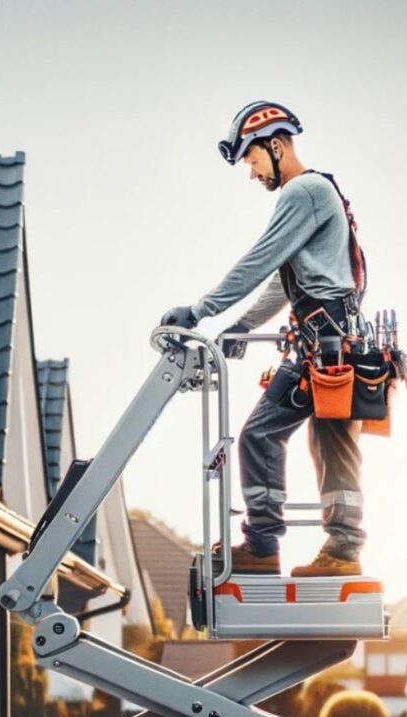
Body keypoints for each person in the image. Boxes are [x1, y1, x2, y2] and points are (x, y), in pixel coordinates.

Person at [160, 100, 369, 579]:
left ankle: (286, 546)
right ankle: (312, 549)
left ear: (276, 146)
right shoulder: (319, 193)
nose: (252, 173)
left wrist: (200, 311)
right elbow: (282, 278)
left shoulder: (304, 192)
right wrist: (244, 326)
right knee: (307, 440)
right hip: (329, 340)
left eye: (252, 161)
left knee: (277, 437)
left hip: (328, 341)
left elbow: (261, 259)